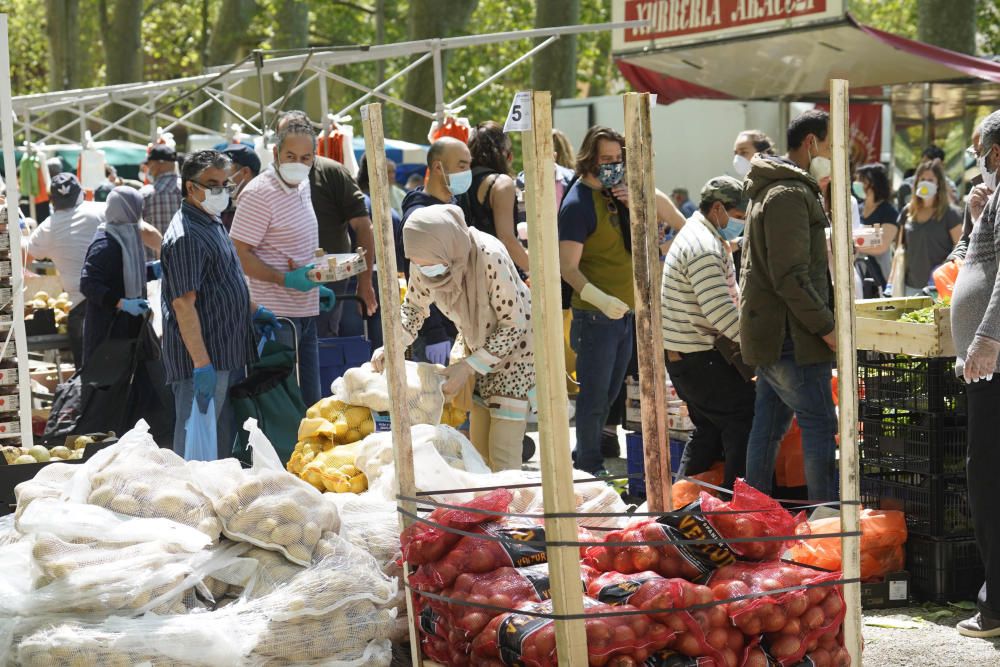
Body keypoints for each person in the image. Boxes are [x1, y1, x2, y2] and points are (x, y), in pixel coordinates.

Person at [558, 125, 686, 475]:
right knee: (594, 398)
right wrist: (597, 298)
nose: (614, 165)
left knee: (610, 395)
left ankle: (585, 455)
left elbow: (648, 240)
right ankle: (588, 463)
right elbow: (567, 267)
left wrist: (638, 209)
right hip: (596, 317)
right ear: (589, 159)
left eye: (618, 159)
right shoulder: (577, 204)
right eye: (606, 159)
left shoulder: (617, 195)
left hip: (626, 314)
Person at [371, 204, 532, 471]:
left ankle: (514, 509)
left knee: (504, 454)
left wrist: (467, 368)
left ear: (447, 247)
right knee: (479, 455)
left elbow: (514, 325)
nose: (425, 270)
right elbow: (413, 308)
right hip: (476, 346)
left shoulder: (488, 256)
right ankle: (489, 510)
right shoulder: (423, 261)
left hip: (519, 353)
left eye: (430, 263)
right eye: (419, 264)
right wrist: (393, 345)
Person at [740, 109, 839, 502]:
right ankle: (826, 517)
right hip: (790, 337)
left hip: (777, 334)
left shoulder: (785, 190)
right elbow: (791, 277)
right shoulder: (788, 194)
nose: (834, 154)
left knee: (769, 426)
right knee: (817, 423)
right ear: (812, 143)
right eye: (830, 146)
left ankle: (753, 512)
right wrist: (827, 327)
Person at [161, 150, 275, 458]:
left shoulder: (210, 222)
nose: (221, 191)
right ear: (190, 187)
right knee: (196, 445)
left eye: (225, 183)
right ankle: (189, 504)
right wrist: (201, 364)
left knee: (217, 441)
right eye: (212, 183)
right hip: (202, 359)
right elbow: (184, 305)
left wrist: (254, 312)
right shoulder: (187, 236)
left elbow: (228, 278)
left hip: (224, 353)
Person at [230, 119, 335, 408]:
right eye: (291, 156)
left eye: (305, 158)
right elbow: (238, 254)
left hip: (305, 312)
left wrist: (317, 280)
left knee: (311, 404)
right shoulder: (258, 193)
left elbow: (295, 244)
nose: (298, 164)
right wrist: (285, 279)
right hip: (274, 318)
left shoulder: (303, 186)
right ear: (276, 153)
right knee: (282, 408)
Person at [661, 176, 754, 489]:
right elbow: (721, 313)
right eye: (740, 217)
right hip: (699, 358)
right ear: (718, 209)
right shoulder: (703, 247)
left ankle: (683, 502)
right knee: (743, 417)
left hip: (687, 356)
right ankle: (734, 504)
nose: (741, 224)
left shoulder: (700, 233)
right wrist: (759, 345)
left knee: (709, 430)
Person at [949, 109, 1000, 638]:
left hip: (994, 366)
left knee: (988, 480)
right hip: (988, 364)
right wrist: (973, 219)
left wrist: (987, 339)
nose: (978, 164)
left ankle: (997, 607)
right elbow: (963, 259)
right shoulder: (992, 199)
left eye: (981, 152)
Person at [276, 111, 377, 337]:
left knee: (320, 345)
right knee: (287, 350)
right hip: (281, 284)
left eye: (298, 131)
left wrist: (365, 283)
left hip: (327, 283)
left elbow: (363, 226)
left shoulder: (332, 172)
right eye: (285, 134)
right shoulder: (267, 180)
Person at [398, 137, 469, 366]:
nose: (467, 171)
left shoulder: (453, 206)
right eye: (461, 165)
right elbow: (417, 277)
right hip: (438, 334)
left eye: (468, 164)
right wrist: (434, 332)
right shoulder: (418, 218)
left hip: (459, 328)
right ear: (438, 167)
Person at [24, 173, 106, 366]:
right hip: (118, 303)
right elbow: (146, 231)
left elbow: (24, 255)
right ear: (81, 192)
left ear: (52, 199)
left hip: (82, 310)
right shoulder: (102, 210)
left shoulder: (48, 227)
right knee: (124, 379)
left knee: (90, 379)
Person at [79, 187, 159, 363]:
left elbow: (124, 272)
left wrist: (154, 270)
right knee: (111, 387)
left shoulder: (126, 236)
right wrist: (122, 303)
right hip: (109, 331)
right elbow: (88, 284)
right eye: (138, 207)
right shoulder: (105, 243)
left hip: (129, 328)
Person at [459, 121, 529, 273]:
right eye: (509, 152)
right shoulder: (501, 183)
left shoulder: (460, 180)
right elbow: (507, 239)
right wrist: (535, 269)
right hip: (495, 274)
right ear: (503, 154)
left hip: (465, 272)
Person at [896, 160, 962, 296]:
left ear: (939, 184)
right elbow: (899, 250)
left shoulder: (951, 213)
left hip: (939, 287)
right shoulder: (907, 212)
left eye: (931, 180)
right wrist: (891, 283)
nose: (926, 183)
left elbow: (960, 249)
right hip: (911, 286)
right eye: (923, 179)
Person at [853, 163, 899, 293]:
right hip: (858, 273)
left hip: (879, 277)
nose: (856, 184)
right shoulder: (857, 208)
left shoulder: (888, 212)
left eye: (861, 180)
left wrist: (852, 246)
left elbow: (882, 245)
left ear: (874, 184)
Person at [141, 144, 183, 239]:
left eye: (149, 164)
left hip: (155, 253)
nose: (148, 169)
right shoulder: (191, 189)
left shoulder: (146, 194)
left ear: (158, 164)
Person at [220, 143, 261, 230]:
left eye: (226, 170)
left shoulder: (258, 211)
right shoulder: (223, 206)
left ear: (246, 172)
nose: (221, 177)